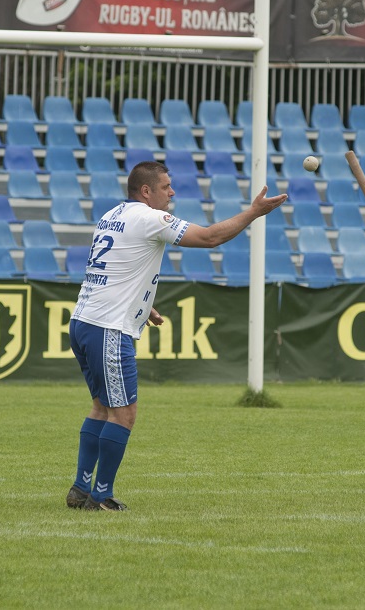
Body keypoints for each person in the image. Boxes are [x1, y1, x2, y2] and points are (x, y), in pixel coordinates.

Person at [65, 160, 287, 511]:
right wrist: (254, 213)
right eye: (166, 186)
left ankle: (81, 487)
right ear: (146, 191)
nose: (172, 192)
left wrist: (144, 303)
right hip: (109, 327)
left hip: (84, 321)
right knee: (124, 414)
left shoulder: (111, 215)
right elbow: (210, 237)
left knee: (101, 408)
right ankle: (101, 496)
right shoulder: (149, 218)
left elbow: (114, 266)